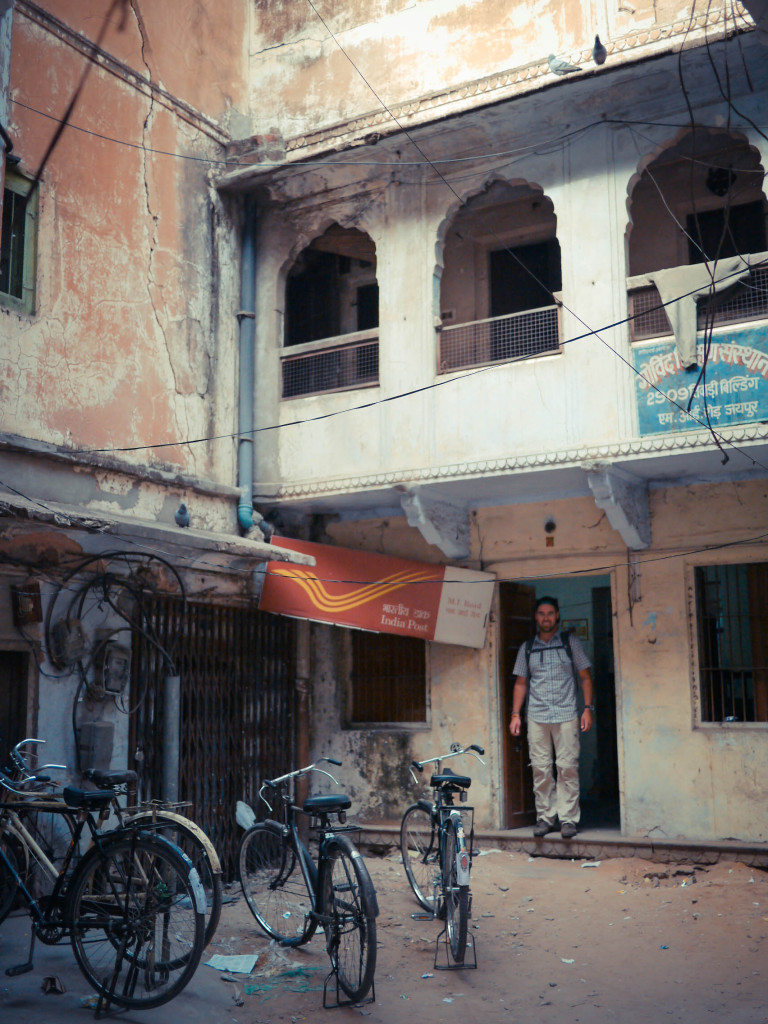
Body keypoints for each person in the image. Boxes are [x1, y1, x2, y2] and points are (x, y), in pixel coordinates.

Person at [509, 596, 594, 839]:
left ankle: (568, 819)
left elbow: (585, 677)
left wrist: (588, 708)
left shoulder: (571, 643)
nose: (546, 618)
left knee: (567, 768)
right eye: (541, 613)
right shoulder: (528, 648)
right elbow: (521, 683)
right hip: (536, 717)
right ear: (536, 617)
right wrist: (516, 715)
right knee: (541, 769)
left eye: (550, 613)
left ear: (557, 615)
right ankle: (545, 817)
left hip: (567, 715)